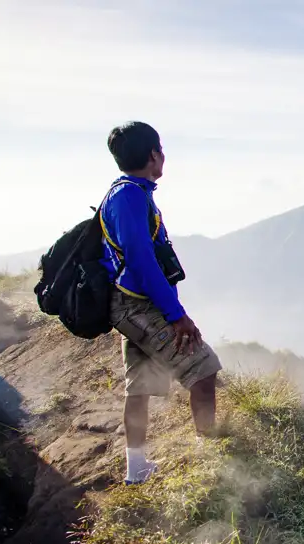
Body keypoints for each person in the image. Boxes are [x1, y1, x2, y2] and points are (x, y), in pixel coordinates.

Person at [99, 121, 221, 485]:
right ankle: (210, 463)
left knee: (139, 384)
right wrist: (177, 316)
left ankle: (137, 471)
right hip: (138, 305)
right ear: (154, 154)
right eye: (161, 149)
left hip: (127, 303)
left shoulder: (128, 192)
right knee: (203, 370)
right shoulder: (130, 196)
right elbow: (141, 260)